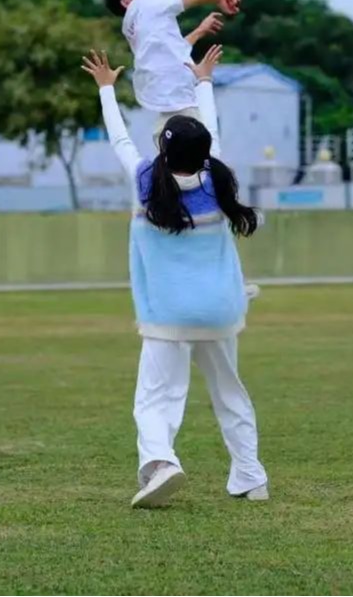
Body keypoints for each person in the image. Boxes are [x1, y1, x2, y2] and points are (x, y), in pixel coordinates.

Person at [80, 44, 269, 509]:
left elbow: (120, 139)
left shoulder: (145, 180)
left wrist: (107, 90)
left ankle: (162, 464)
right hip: (223, 309)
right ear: (204, 152)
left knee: (155, 398)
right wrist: (203, 80)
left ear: (163, 152)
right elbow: (214, 126)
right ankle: (250, 477)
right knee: (230, 393)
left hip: (168, 313)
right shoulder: (219, 181)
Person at [101, 0, 241, 138]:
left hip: (165, 111)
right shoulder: (147, 1)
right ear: (127, 1)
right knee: (207, 153)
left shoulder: (132, 25)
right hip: (182, 107)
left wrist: (199, 31)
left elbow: (171, 51)